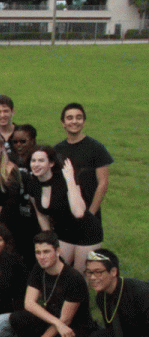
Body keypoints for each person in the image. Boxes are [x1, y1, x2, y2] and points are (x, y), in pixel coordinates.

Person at [9, 231, 94, 337]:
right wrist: (56, 322)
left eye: (46, 252)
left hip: (74, 327)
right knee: (17, 318)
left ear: (58, 251)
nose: (41, 257)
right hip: (55, 319)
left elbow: (65, 320)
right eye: (38, 252)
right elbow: (29, 303)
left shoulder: (73, 278)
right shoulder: (39, 269)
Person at [28, 146, 102, 272]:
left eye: (41, 161)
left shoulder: (65, 180)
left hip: (87, 231)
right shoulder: (33, 184)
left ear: (51, 163)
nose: (36, 164)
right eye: (33, 161)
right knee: (56, 270)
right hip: (62, 232)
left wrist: (70, 179)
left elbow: (79, 212)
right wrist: (49, 238)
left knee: (79, 274)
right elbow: (40, 214)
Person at [53, 103, 113, 242]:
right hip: (64, 214)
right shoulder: (57, 150)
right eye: (70, 118)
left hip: (89, 212)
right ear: (63, 123)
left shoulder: (96, 148)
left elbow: (103, 183)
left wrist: (90, 214)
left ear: (84, 121)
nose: (74, 121)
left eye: (78, 117)